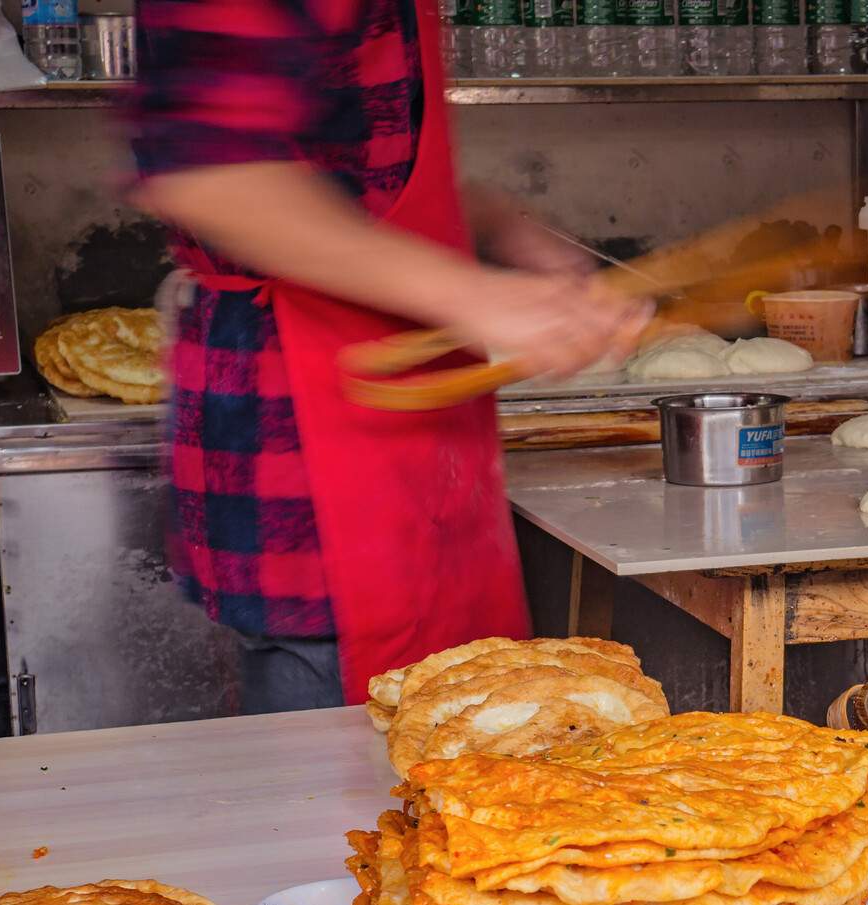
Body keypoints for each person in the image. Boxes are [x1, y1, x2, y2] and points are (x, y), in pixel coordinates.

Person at [129, 0, 648, 714]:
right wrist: (471, 293)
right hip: (312, 446)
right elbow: (210, 174)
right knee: (353, 798)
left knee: (460, 761)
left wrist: (495, 228)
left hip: (412, 441)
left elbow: (350, 171)